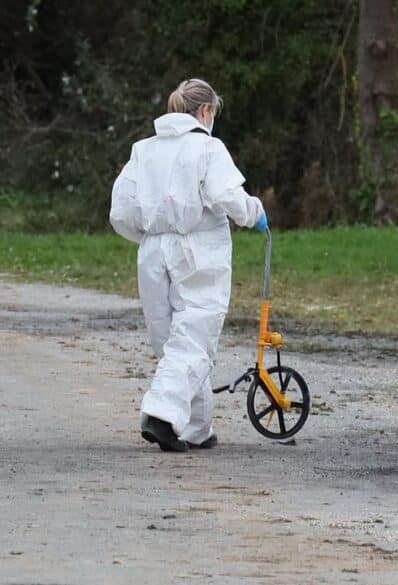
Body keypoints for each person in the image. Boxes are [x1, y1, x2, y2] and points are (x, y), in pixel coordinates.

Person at [110, 79, 267, 452]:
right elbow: (226, 194)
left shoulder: (143, 150)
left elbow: (120, 211)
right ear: (206, 111)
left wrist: (150, 235)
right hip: (197, 248)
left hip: (152, 250)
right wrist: (254, 212)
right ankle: (161, 415)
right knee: (195, 338)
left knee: (172, 341)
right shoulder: (208, 147)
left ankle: (196, 427)